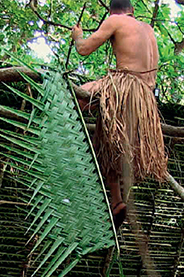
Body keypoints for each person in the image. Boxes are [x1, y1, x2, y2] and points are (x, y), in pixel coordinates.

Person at [71, 0, 168, 228]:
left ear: (111, 11)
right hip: (146, 101)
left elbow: (83, 49)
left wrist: (77, 35)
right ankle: (117, 202)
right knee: (108, 141)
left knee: (77, 94)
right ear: (132, 10)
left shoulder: (115, 20)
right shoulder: (148, 29)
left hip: (125, 88)